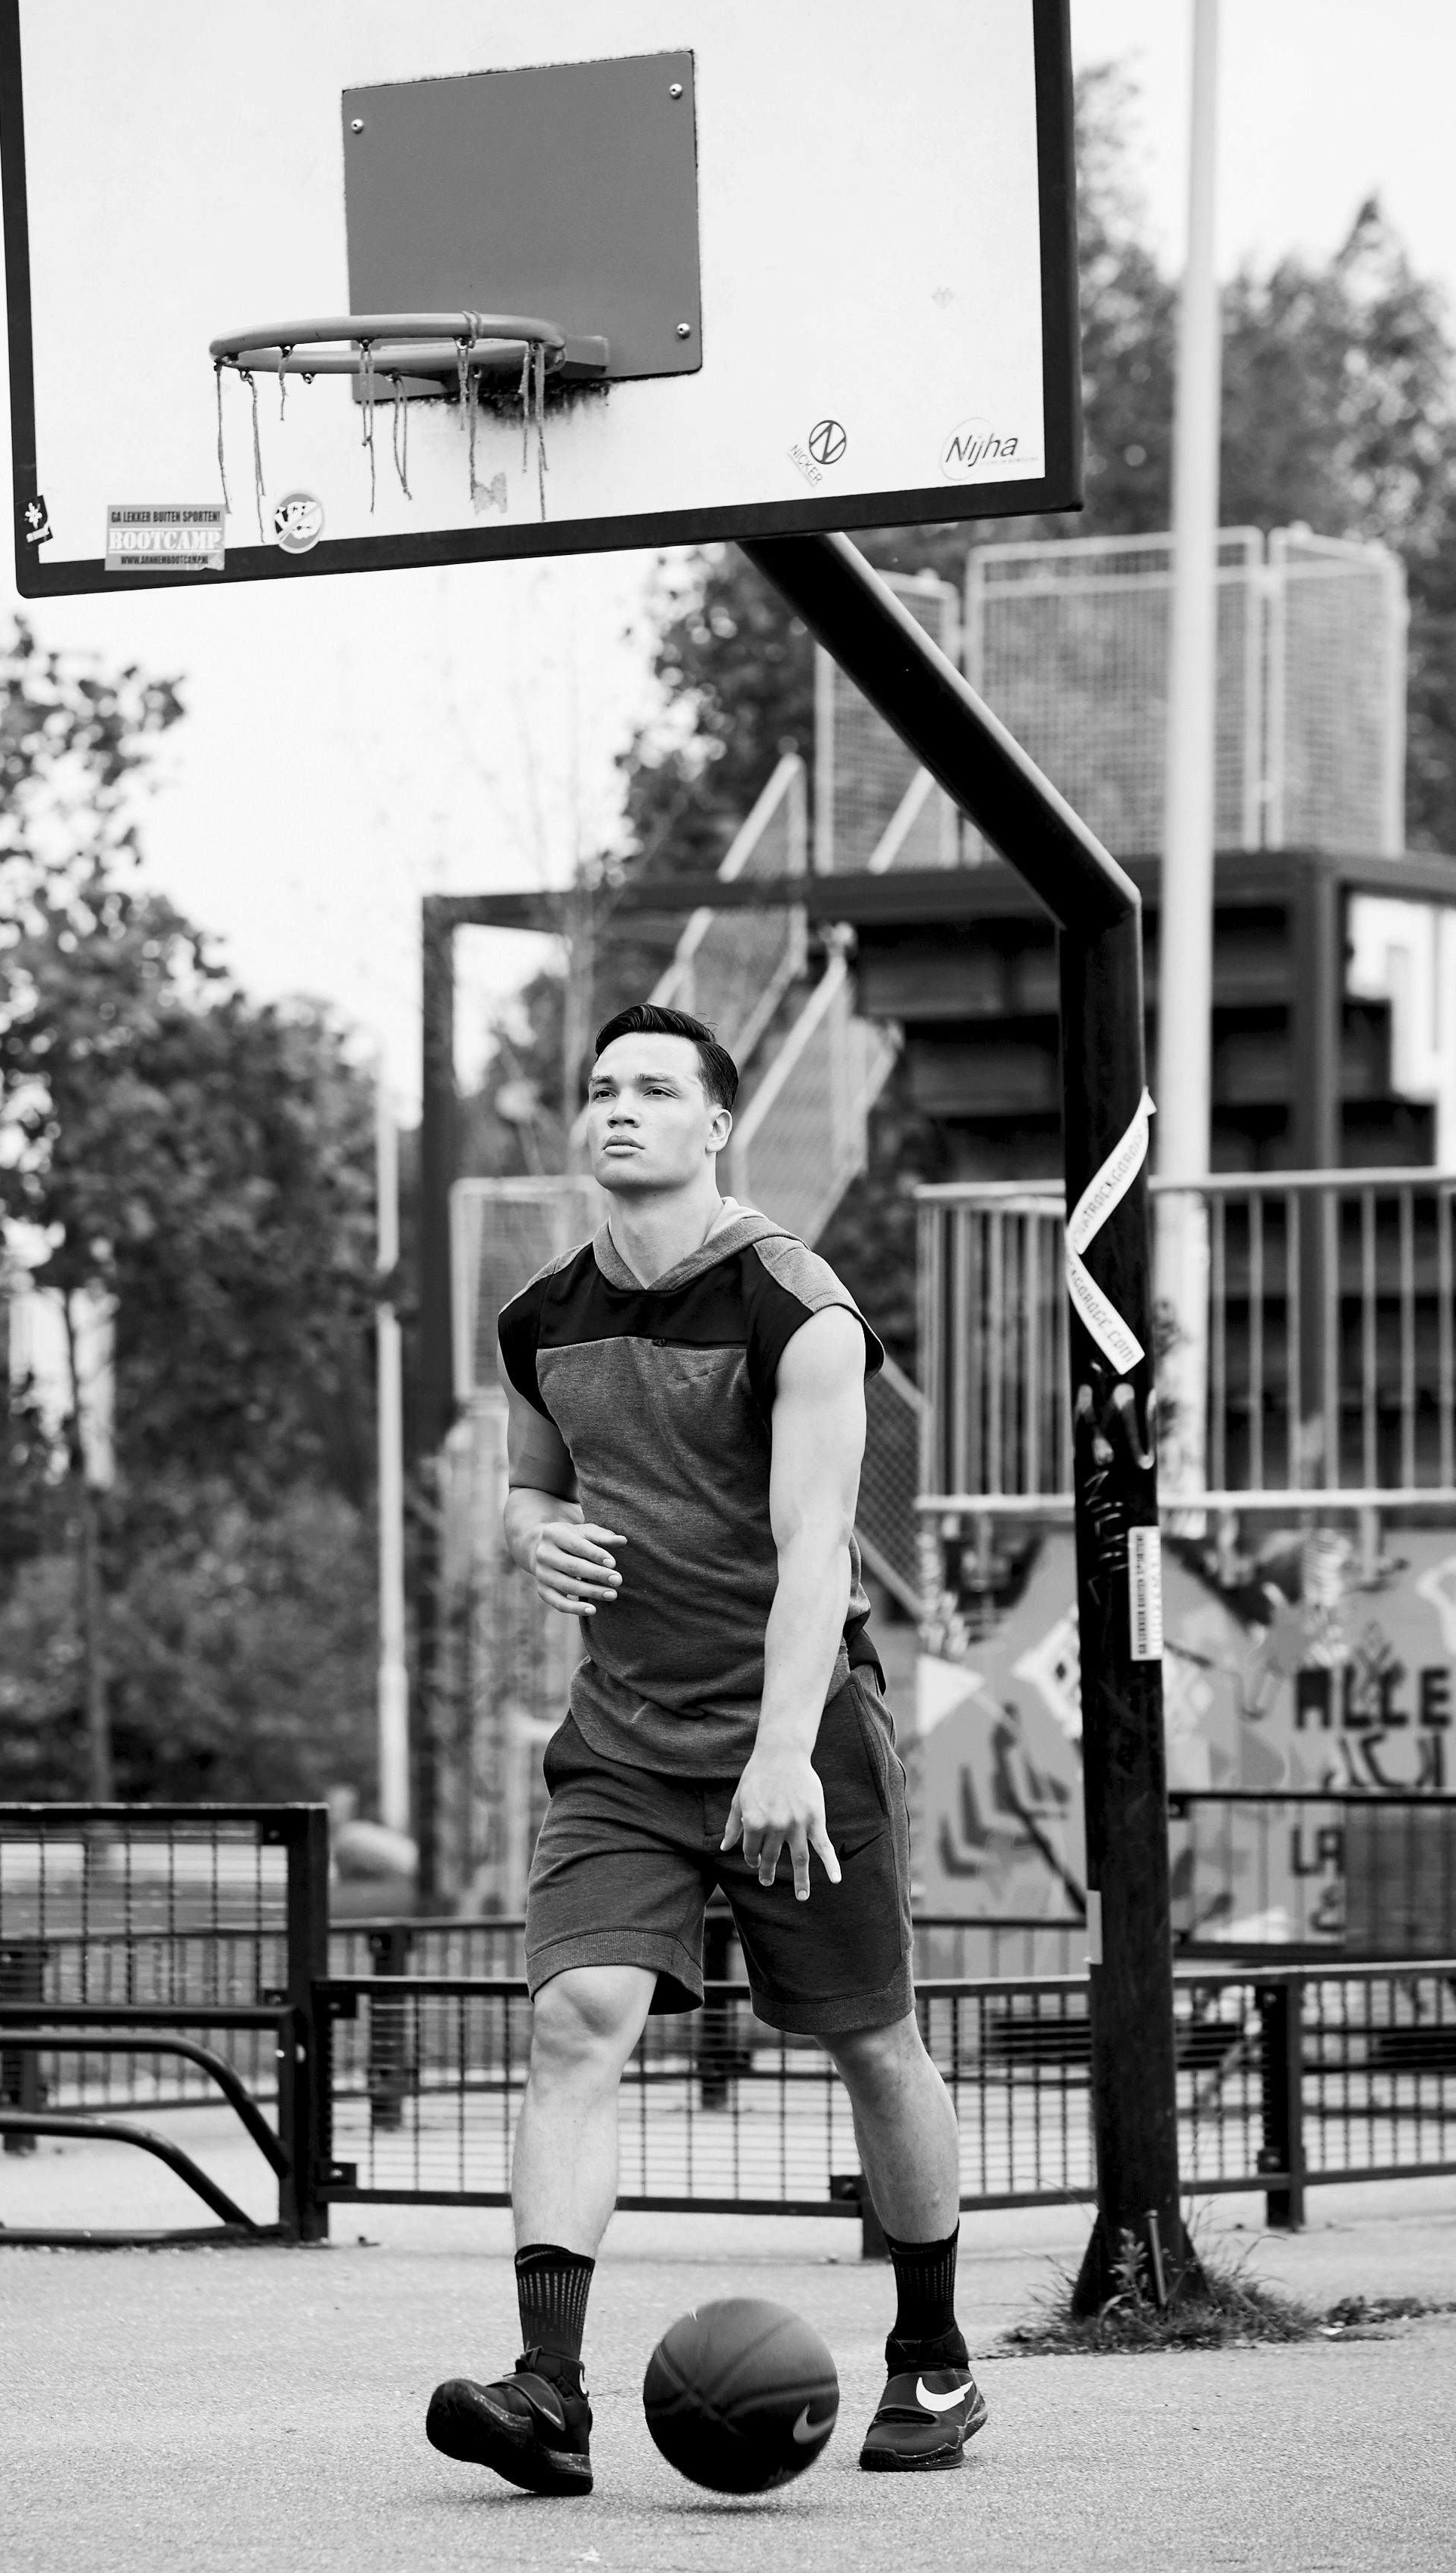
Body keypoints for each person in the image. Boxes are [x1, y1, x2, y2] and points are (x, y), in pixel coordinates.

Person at [426, 1004, 981, 2492]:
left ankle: (933, 2354)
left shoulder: (799, 1309)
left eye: (657, 1089)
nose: (620, 1108)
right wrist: (534, 1535)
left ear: (717, 1124)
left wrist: (784, 1751)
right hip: (625, 1738)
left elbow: (817, 1550)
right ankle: (549, 2393)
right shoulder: (541, 1318)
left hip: (797, 1734)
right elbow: (533, 1489)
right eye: (603, 1087)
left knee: (873, 2040)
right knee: (574, 2021)